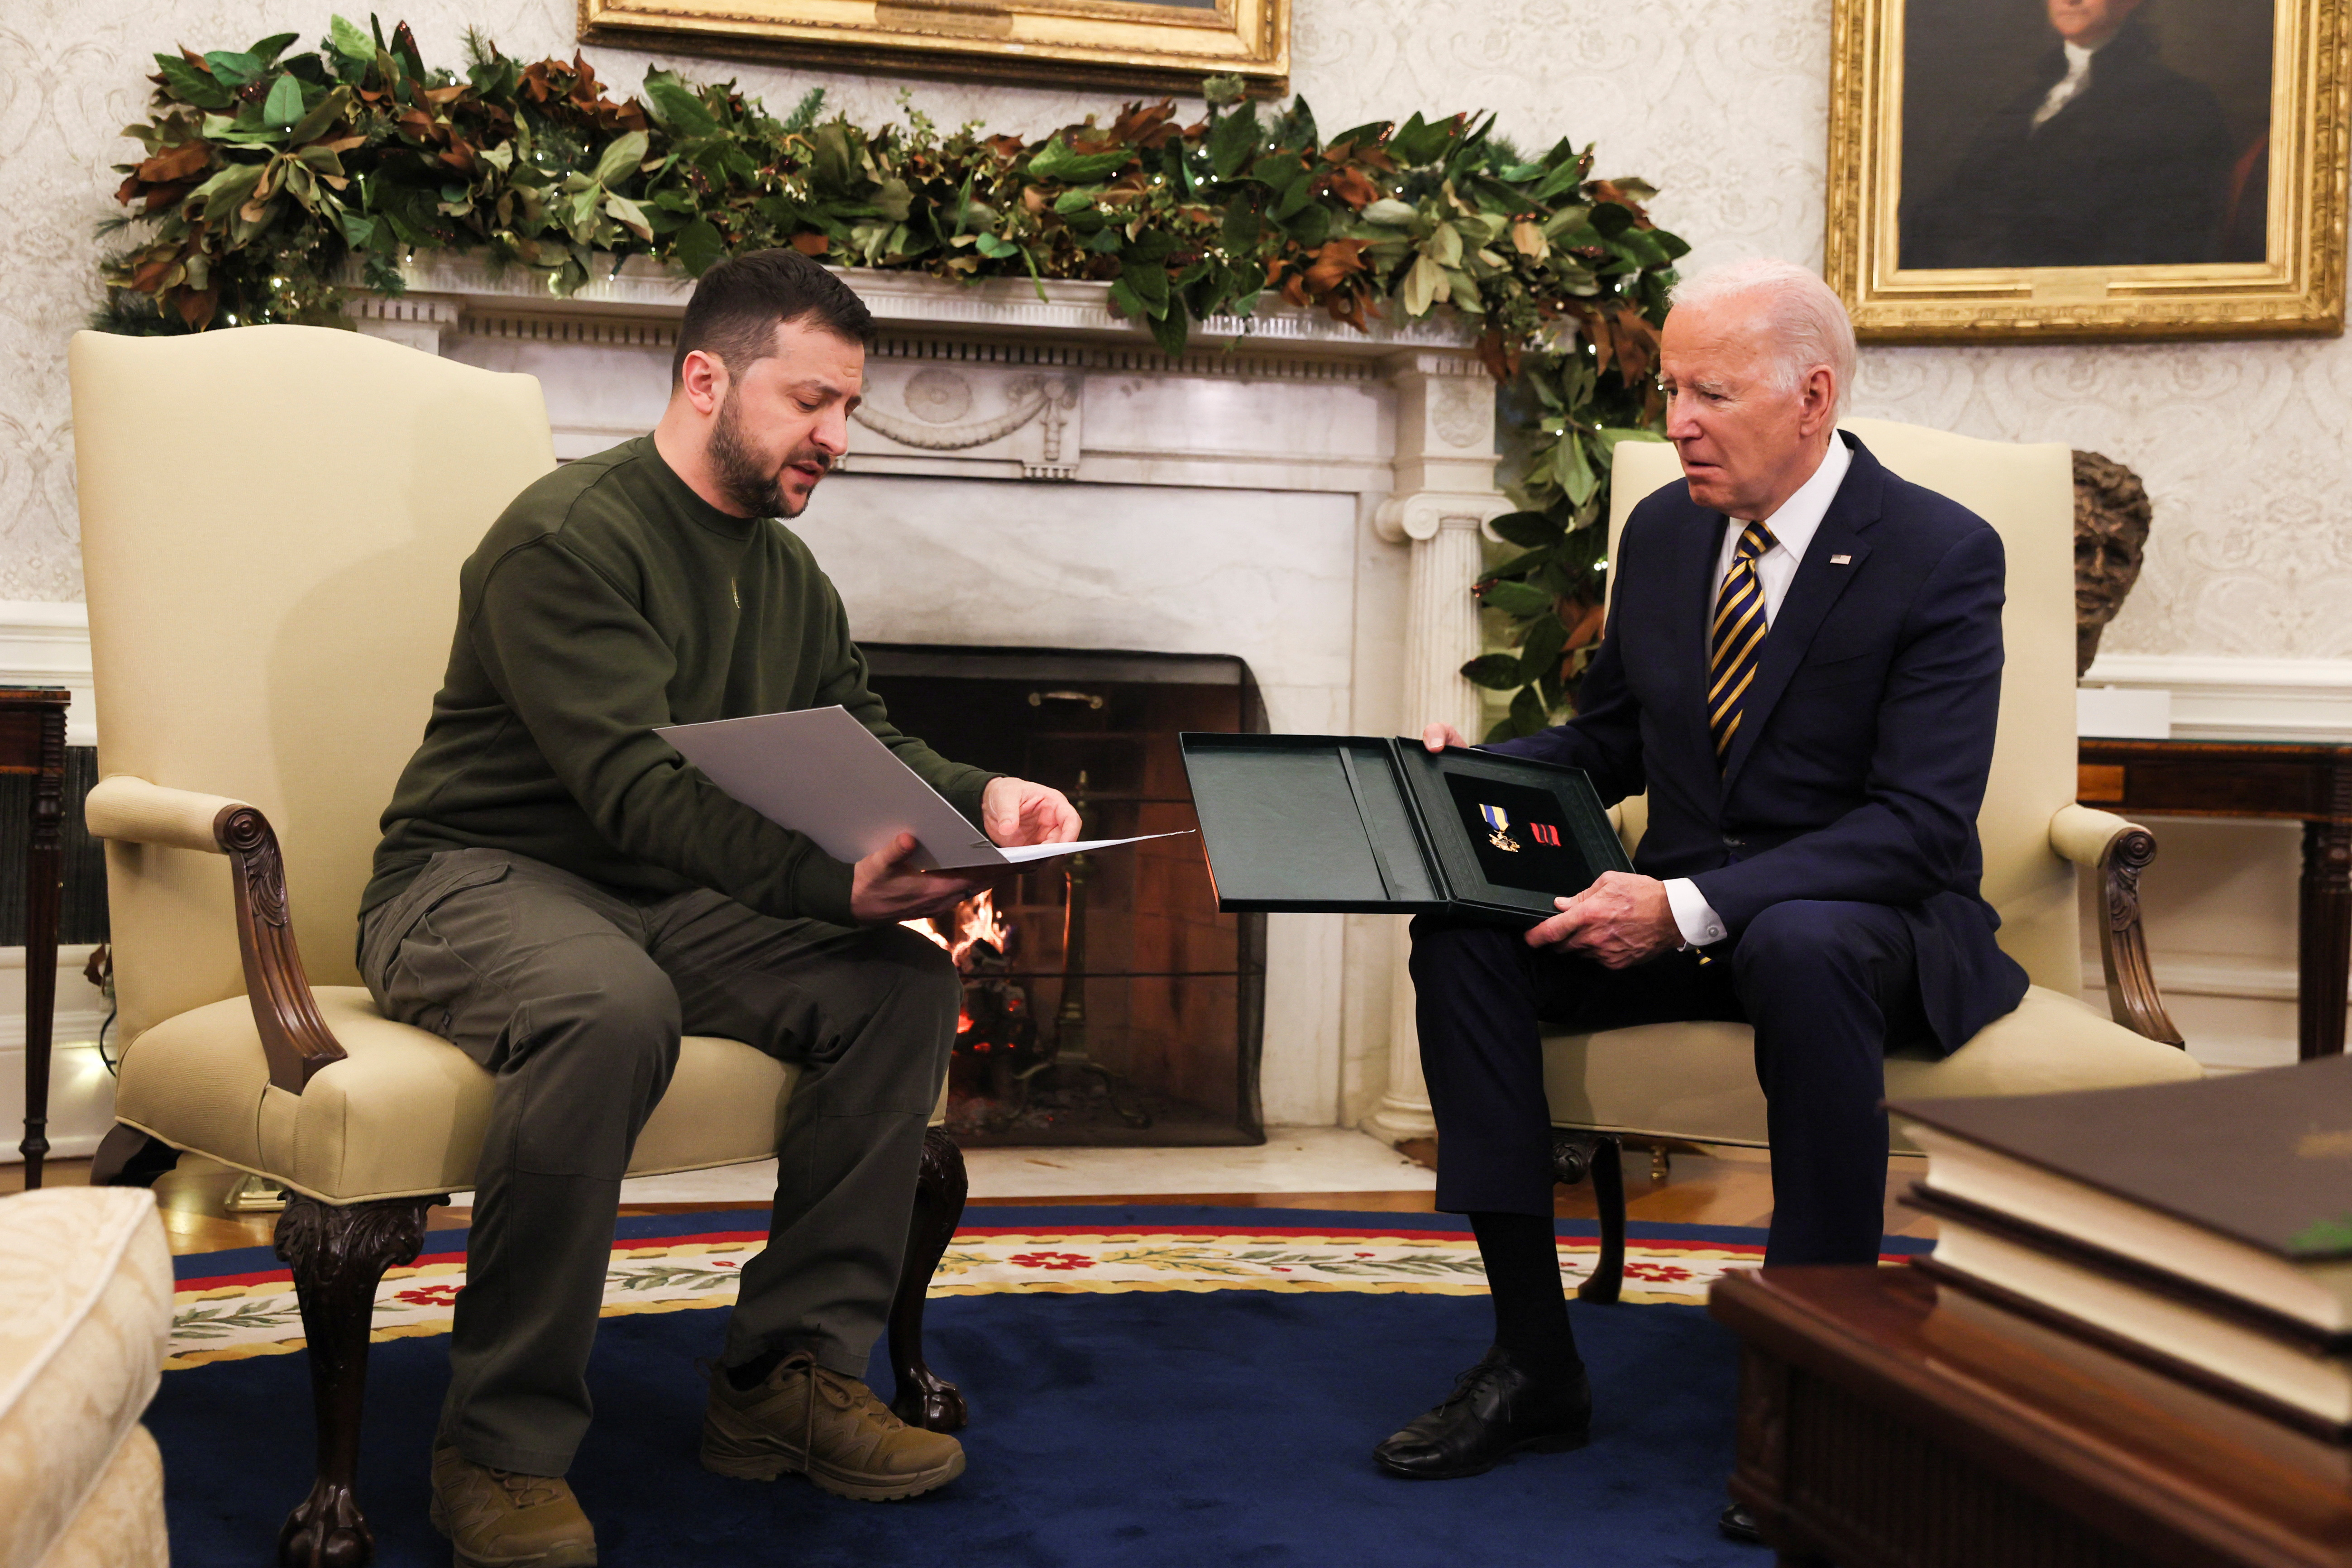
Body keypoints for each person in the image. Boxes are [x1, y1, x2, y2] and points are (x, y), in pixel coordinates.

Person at [357, 248, 1080, 1568]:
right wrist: (827, 880)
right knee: (604, 1003)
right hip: (473, 879)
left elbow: (854, 726)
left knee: (898, 984)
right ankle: (499, 1445)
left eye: (848, 408)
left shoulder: (787, 576)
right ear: (706, 377)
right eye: (813, 400)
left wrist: (990, 790)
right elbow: (632, 784)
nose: (838, 436)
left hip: (665, 900)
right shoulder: (569, 534)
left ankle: (784, 1378)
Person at [1383, 260, 2028, 1541]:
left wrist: (1679, 905)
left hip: (1867, 921)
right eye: (1667, 386)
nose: (1673, 419)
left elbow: (1914, 828)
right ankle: (1531, 1363)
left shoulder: (1940, 553)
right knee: (1463, 932)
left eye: (1707, 392)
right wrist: (1484, 773)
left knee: (1795, 943)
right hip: (1679, 907)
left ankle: (1818, 1379)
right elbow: (1616, 735)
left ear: (1810, 395)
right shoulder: (1668, 529)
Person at [1902, 0, 2234, 269]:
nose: (2070, 0)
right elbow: (1959, 202)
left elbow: (2163, 234)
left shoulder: (2176, 103)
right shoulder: (2024, 101)